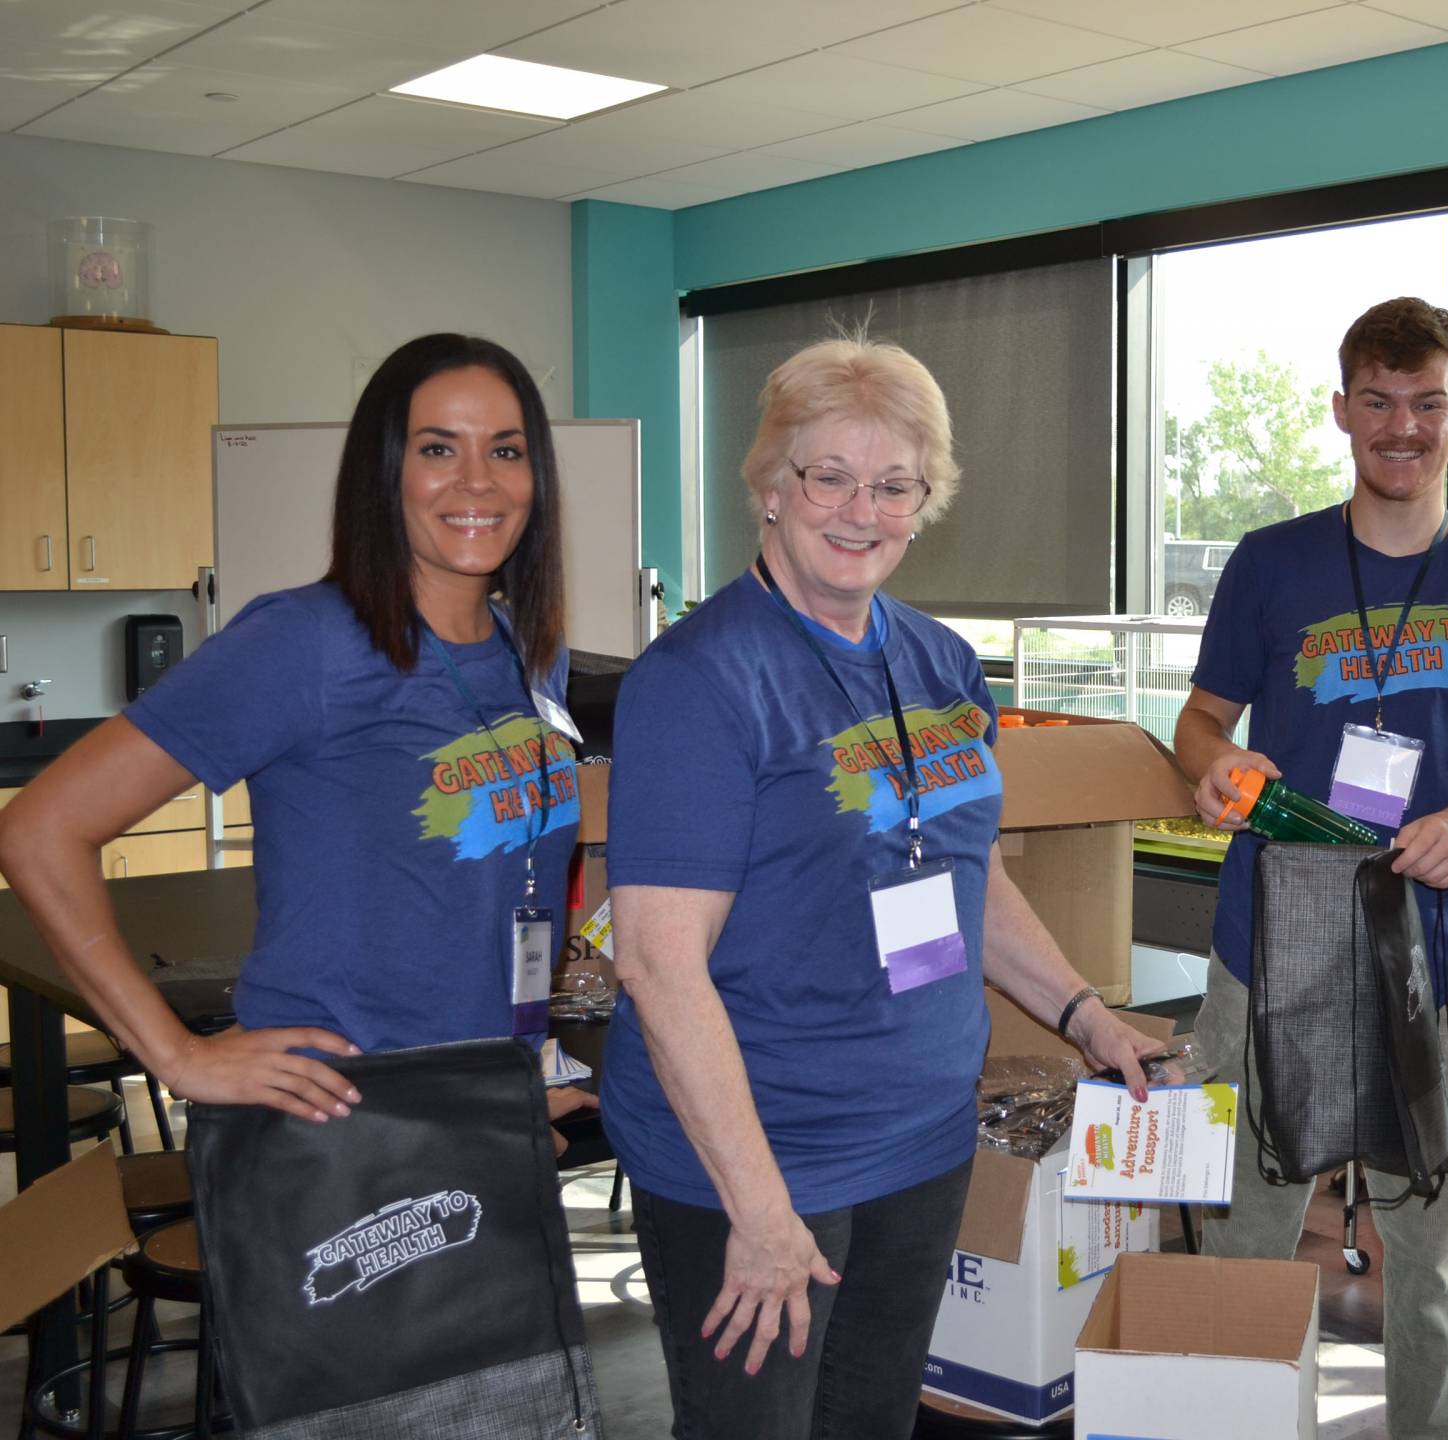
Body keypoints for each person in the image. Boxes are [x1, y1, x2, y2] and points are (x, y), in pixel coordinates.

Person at [598, 334, 1164, 1440]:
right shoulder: (700, 682)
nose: (861, 510)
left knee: (871, 1424)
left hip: (920, 1137)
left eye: (894, 483)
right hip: (764, 1157)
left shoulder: (942, 663)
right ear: (771, 486)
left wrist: (1083, 1009)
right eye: (830, 476)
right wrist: (758, 1211)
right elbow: (657, 967)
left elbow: (961, 877)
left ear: (924, 500)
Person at [0, 334, 594, 1139]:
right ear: (384, 472)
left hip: (478, 1115)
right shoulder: (305, 643)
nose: (477, 480)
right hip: (341, 1124)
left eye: (506, 449)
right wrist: (177, 1056)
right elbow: (39, 830)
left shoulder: (528, 656)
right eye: (437, 448)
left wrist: (515, 1082)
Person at [1173, 296, 1448, 1439]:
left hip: (1435, 954)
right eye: (1377, 402)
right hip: (1271, 945)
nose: (1400, 427)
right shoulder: (1270, 564)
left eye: (1425, 403)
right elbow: (1199, 721)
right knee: (1245, 1226)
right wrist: (1212, 765)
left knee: (1430, 1245)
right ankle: (1233, 1423)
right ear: (1342, 407)